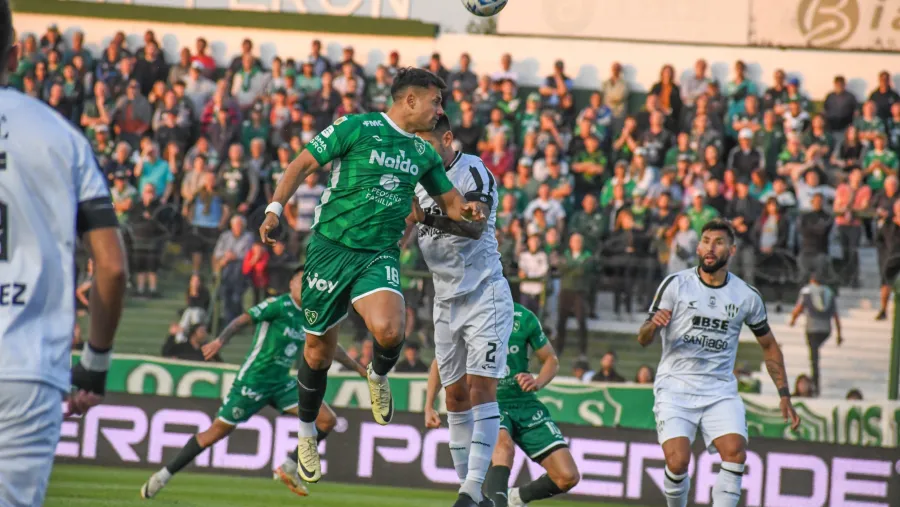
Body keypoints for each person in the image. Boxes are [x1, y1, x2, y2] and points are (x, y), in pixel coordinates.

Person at [259, 67, 484, 484]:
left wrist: (471, 208)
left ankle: (377, 374)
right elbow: (300, 165)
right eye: (436, 101)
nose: (440, 110)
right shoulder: (356, 127)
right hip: (330, 251)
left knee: (389, 330)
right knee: (317, 355)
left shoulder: (423, 153)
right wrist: (274, 210)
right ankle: (306, 433)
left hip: (377, 254)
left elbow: (451, 202)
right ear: (410, 100)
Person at [0, 3, 128, 504]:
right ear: (15, 55)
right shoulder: (61, 137)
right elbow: (111, 267)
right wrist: (94, 366)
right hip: (26, 371)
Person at [140, 268, 366, 499]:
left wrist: (360, 369)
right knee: (215, 433)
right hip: (253, 381)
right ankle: (162, 476)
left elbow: (330, 347)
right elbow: (242, 320)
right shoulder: (278, 305)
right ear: (291, 284)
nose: (306, 286)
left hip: (280, 383)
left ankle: (289, 466)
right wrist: (220, 340)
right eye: (301, 281)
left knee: (327, 420)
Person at [638, 219, 800, 507]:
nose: (710, 248)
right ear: (698, 246)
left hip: (719, 389)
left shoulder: (746, 296)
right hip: (675, 387)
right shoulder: (676, 284)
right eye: (706, 241)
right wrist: (653, 325)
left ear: (732, 250)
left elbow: (769, 345)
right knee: (677, 462)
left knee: (735, 451)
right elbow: (643, 338)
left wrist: (784, 394)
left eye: (718, 242)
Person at [406, 114, 513, 507]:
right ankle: (474, 496)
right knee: (454, 398)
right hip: (444, 298)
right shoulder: (416, 179)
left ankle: (469, 492)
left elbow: (474, 227)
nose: (419, 152)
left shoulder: (474, 173)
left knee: (480, 386)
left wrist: (426, 215)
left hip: (484, 294)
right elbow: (404, 225)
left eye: (425, 143)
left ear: (447, 138)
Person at [426, 303, 580, 507]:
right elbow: (441, 361)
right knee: (504, 447)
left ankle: (515, 498)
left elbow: (551, 359)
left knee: (567, 476)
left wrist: (537, 381)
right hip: (488, 400)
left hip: (524, 403)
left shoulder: (524, 318)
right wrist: (429, 405)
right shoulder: (466, 318)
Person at [789, 272, 842, 395]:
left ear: (812, 280)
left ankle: (815, 385)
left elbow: (799, 307)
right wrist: (839, 334)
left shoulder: (807, 291)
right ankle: (815, 382)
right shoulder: (829, 292)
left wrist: (793, 319)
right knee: (815, 353)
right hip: (826, 329)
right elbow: (835, 315)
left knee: (814, 358)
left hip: (812, 328)